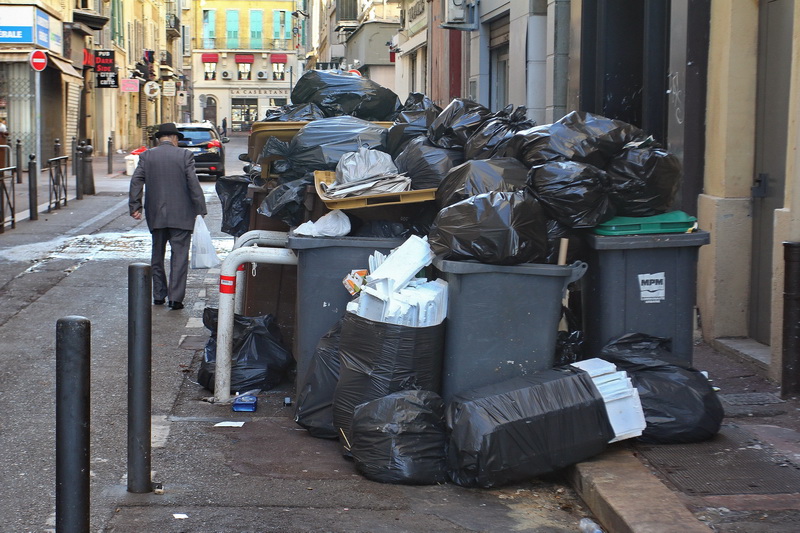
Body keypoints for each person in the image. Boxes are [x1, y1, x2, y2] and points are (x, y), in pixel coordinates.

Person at [129, 123, 207, 310]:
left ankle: (158, 295)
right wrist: (200, 209)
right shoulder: (184, 155)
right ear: (174, 138)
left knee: (157, 254)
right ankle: (175, 298)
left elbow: (136, 181)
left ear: (159, 139)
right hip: (182, 215)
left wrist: (135, 205)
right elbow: (193, 183)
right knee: (179, 257)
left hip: (156, 214)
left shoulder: (146, 156)